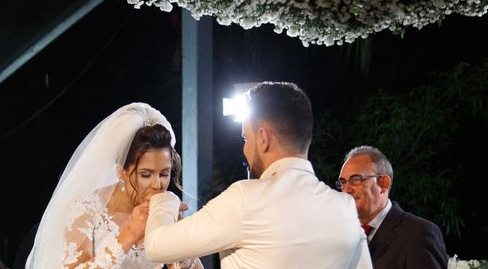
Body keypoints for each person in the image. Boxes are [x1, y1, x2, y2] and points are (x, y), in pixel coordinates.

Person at [145, 82, 372, 268]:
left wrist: (163, 201)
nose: (244, 149)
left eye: (246, 138)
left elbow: (156, 246)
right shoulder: (345, 208)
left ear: (263, 138)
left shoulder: (246, 199)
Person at [25, 102, 202, 269]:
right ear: (121, 171)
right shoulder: (87, 209)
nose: (158, 184)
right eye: (146, 175)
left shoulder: (161, 211)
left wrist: (178, 238)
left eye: (164, 173)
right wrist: (129, 234)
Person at [338, 145, 448, 269]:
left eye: (356, 179)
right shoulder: (340, 233)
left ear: (383, 183)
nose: (346, 189)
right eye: (342, 182)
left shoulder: (419, 234)